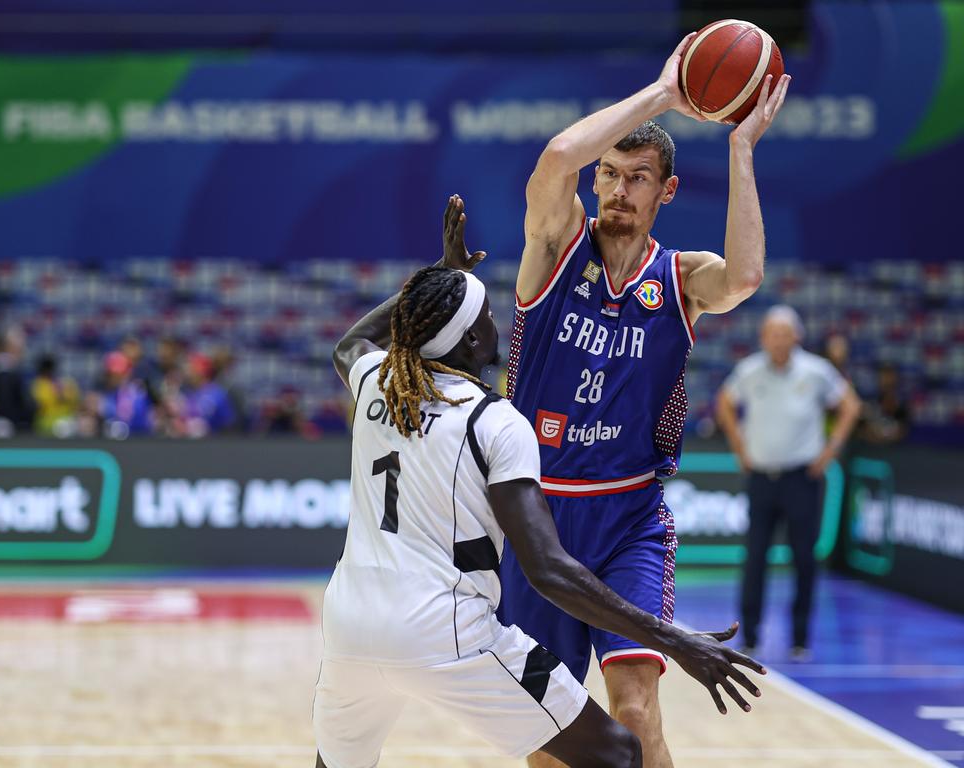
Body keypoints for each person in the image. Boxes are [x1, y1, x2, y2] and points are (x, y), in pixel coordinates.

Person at [314, 197, 764, 768]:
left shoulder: (378, 382)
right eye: (482, 316)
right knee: (619, 754)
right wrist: (675, 639)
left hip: (350, 622)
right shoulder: (496, 420)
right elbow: (549, 569)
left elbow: (350, 343)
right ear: (474, 344)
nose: (494, 322)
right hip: (445, 629)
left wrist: (441, 278)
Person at [496, 33, 791, 768]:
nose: (618, 191)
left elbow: (747, 277)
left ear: (666, 191)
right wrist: (666, 92)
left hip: (629, 518)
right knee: (551, 741)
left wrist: (741, 148)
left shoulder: (680, 277)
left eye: (637, 178)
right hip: (537, 521)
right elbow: (556, 160)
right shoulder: (556, 246)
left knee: (635, 709)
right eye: (610, 175)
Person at [715, 305, 861, 659]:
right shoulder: (749, 371)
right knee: (755, 559)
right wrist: (738, 446)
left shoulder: (816, 371)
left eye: (785, 334)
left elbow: (850, 406)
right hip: (762, 478)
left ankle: (799, 639)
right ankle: (749, 636)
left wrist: (830, 451)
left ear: (797, 336)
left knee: (804, 560)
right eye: (772, 334)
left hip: (802, 479)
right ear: (763, 337)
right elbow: (723, 402)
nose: (779, 341)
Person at [859, 362, 910, 444]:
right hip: (871, 450)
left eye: (889, 376)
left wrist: (888, 437)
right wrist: (876, 437)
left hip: (896, 452)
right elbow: (862, 431)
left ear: (895, 379)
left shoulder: (902, 406)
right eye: (883, 377)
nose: (887, 381)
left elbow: (905, 432)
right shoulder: (870, 405)